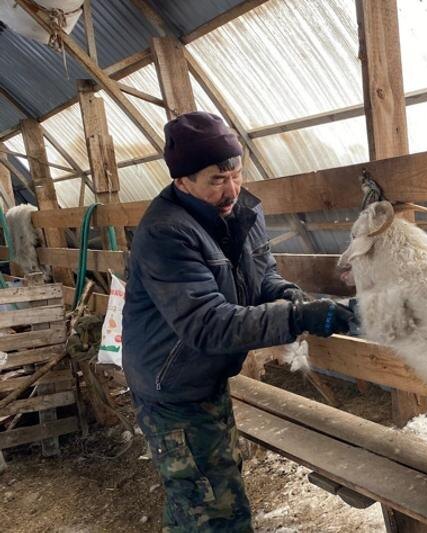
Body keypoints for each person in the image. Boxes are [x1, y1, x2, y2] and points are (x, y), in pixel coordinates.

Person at [122, 111, 354, 531]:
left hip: (204, 375)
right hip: (172, 386)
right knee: (212, 509)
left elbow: (261, 273)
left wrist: (286, 294)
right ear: (182, 181)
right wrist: (298, 316)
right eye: (216, 179)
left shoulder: (242, 211)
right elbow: (207, 324)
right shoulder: (165, 233)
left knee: (207, 486)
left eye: (236, 173)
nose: (231, 189)